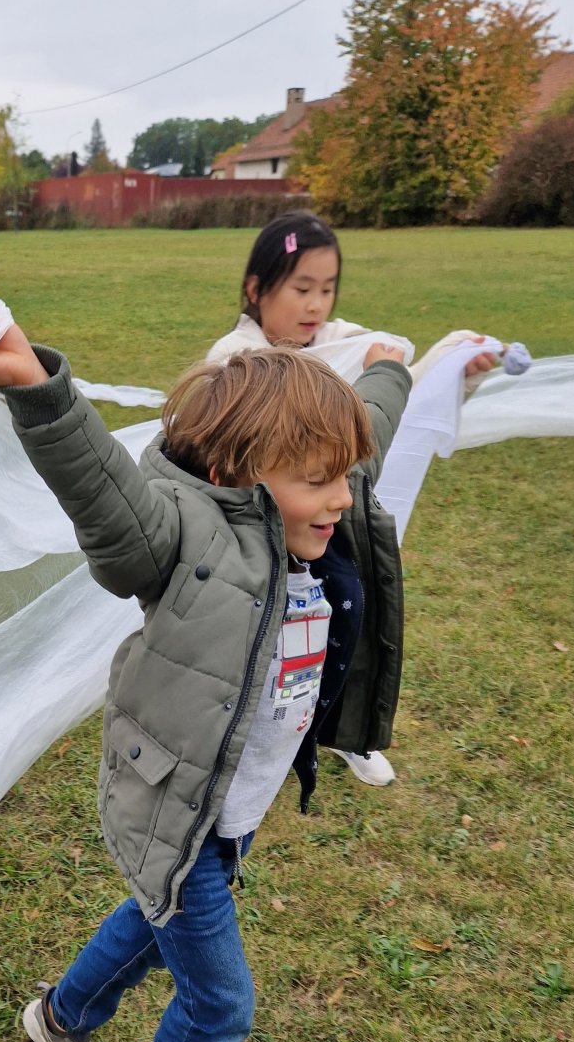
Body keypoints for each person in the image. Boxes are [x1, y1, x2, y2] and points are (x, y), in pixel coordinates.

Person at [0, 287, 411, 1042]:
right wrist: (33, 383)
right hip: (175, 804)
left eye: (344, 476)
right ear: (241, 473)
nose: (343, 496)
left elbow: (370, 432)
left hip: (230, 813)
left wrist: (392, 370)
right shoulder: (185, 541)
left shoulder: (319, 512)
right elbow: (103, 493)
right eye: (319, 480)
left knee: (151, 923)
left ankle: (60, 1018)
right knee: (221, 1002)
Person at [208, 209, 500, 789]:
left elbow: (394, 396)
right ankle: (249, 744)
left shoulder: (345, 344)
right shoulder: (234, 358)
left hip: (323, 534)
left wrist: (455, 369)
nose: (316, 305)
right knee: (261, 649)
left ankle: (338, 731)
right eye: (301, 289)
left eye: (327, 289)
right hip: (258, 541)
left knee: (340, 625)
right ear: (257, 289)